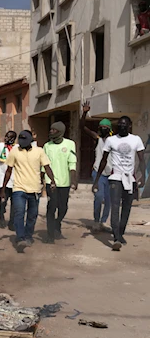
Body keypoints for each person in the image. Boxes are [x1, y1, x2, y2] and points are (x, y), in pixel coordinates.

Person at [93, 116, 145, 251]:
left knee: (127, 208)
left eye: (125, 125)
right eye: (120, 124)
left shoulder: (136, 140)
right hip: (115, 177)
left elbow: (141, 159)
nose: (122, 126)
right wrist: (97, 180)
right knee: (115, 207)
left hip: (130, 179)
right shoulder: (111, 140)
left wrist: (142, 177)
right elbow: (103, 161)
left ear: (129, 126)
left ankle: (120, 232)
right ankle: (116, 238)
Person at [1, 130, 56, 252]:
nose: (22, 144)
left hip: (35, 189)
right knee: (19, 214)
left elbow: (47, 167)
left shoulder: (39, 151)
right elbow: (9, 170)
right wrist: (3, 189)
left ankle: (28, 236)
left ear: (31, 140)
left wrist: (52, 181)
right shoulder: (14, 152)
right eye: (20, 141)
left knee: (32, 216)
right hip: (19, 189)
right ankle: (20, 238)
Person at [42, 121, 77, 243]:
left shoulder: (70, 144)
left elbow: (72, 162)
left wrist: (73, 180)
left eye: (54, 130)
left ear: (61, 132)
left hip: (64, 183)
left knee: (63, 208)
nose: (51, 132)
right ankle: (50, 234)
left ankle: (57, 223)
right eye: (50, 130)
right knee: (51, 207)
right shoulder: (47, 146)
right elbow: (44, 165)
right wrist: (42, 181)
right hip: (50, 182)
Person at [81, 101, 112, 232]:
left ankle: (104, 221)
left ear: (110, 129)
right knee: (99, 197)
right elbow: (82, 127)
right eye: (101, 126)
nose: (103, 128)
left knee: (109, 200)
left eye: (106, 127)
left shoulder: (114, 140)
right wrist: (84, 113)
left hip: (111, 173)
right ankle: (96, 221)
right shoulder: (97, 138)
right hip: (97, 173)